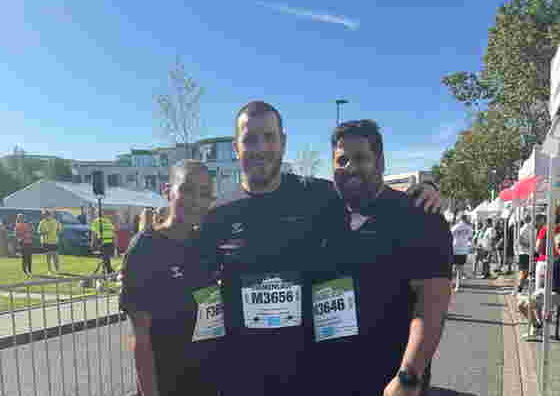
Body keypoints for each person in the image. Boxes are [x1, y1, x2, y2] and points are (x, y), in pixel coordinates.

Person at [197, 102, 444, 396]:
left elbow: (431, 299)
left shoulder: (317, 195)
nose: (260, 148)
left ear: (283, 142)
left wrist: (427, 188)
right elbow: (201, 289)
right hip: (247, 374)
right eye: (250, 139)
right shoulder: (217, 215)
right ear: (236, 147)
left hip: (307, 373)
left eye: (269, 137)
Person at [306, 120, 452, 396]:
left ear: (381, 162)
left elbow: (431, 308)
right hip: (329, 378)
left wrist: (408, 376)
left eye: (360, 158)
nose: (350, 167)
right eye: (342, 160)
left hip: (389, 383)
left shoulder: (420, 218)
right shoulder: (323, 214)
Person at [119, 160, 219, 396]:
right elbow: (141, 340)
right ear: (167, 191)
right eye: (187, 190)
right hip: (167, 385)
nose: (196, 201)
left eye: (205, 194)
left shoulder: (206, 245)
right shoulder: (145, 248)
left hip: (208, 382)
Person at [516, 215, 545, 294]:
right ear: (537, 220)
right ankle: (518, 290)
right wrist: (529, 245)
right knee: (525, 272)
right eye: (541, 221)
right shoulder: (526, 227)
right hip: (524, 253)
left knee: (529, 273)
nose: (542, 223)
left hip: (531, 253)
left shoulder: (535, 229)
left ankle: (521, 289)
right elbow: (519, 240)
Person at [90, 209, 116, 274]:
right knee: (106, 258)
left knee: (105, 258)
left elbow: (94, 234)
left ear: (97, 214)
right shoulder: (108, 221)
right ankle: (105, 270)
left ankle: (109, 271)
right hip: (111, 243)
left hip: (103, 243)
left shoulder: (96, 222)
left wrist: (92, 244)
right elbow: (113, 232)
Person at [451, 215, 473, 291]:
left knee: (453, 267)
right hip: (463, 250)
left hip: (455, 249)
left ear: (460, 219)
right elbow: (470, 238)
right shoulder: (469, 228)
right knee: (459, 269)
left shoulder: (455, 227)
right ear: (465, 219)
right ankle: (457, 285)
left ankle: (451, 284)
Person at [38, 210, 62, 275]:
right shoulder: (42, 222)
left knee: (55, 256)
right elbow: (39, 231)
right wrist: (44, 233)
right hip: (45, 242)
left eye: (46, 215)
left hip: (54, 241)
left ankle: (57, 270)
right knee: (48, 256)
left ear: (49, 215)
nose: (45, 216)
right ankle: (49, 270)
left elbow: (59, 230)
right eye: (44, 215)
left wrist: (58, 231)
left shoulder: (56, 221)